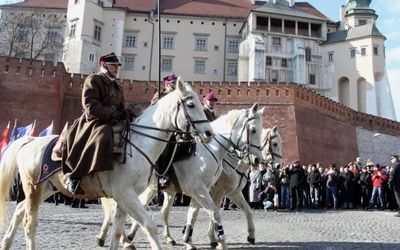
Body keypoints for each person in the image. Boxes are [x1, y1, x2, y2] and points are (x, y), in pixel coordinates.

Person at [63, 52, 131, 195]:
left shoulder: (117, 87)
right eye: (112, 65)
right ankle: (74, 176)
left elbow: (121, 107)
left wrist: (126, 114)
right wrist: (110, 114)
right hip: (94, 120)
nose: (116, 68)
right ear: (103, 65)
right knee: (102, 135)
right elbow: (90, 104)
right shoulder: (94, 79)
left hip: (113, 121)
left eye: (117, 66)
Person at [150, 74, 178, 193]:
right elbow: (152, 109)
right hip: (160, 129)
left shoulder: (178, 97)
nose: (175, 85)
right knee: (164, 148)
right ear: (167, 84)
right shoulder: (160, 95)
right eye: (173, 83)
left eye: (176, 83)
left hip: (174, 130)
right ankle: (160, 175)